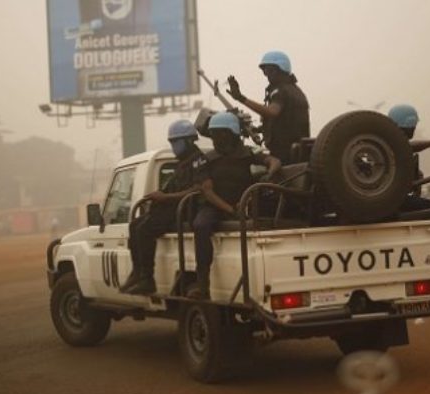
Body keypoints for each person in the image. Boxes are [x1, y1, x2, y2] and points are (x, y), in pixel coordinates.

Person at [189, 112, 281, 299]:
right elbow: (207, 191)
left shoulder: (247, 153)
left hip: (244, 204)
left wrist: (270, 171)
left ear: (232, 134)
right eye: (214, 134)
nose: (216, 139)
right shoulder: (204, 159)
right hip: (215, 208)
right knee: (200, 225)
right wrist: (231, 210)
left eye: (220, 134)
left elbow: (274, 160)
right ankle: (202, 283)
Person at [120, 120, 206, 295]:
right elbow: (173, 187)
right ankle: (138, 273)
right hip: (172, 208)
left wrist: (165, 197)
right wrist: (158, 195)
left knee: (144, 230)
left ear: (187, 141)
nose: (173, 146)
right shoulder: (183, 161)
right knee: (134, 225)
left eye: (175, 142)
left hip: (185, 210)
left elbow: (197, 189)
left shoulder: (198, 161)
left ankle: (147, 279)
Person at [226, 51, 310, 165]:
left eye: (270, 70)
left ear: (281, 69)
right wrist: (259, 129)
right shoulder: (294, 90)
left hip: (286, 154)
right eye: (264, 71)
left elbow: (272, 112)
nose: (267, 75)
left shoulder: (281, 90)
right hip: (295, 152)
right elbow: (286, 121)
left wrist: (241, 98)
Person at [389, 104, 430, 213]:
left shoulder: (383, 141)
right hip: (394, 200)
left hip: (391, 200)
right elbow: (409, 146)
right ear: (410, 124)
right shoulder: (391, 142)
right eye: (414, 125)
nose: (414, 128)